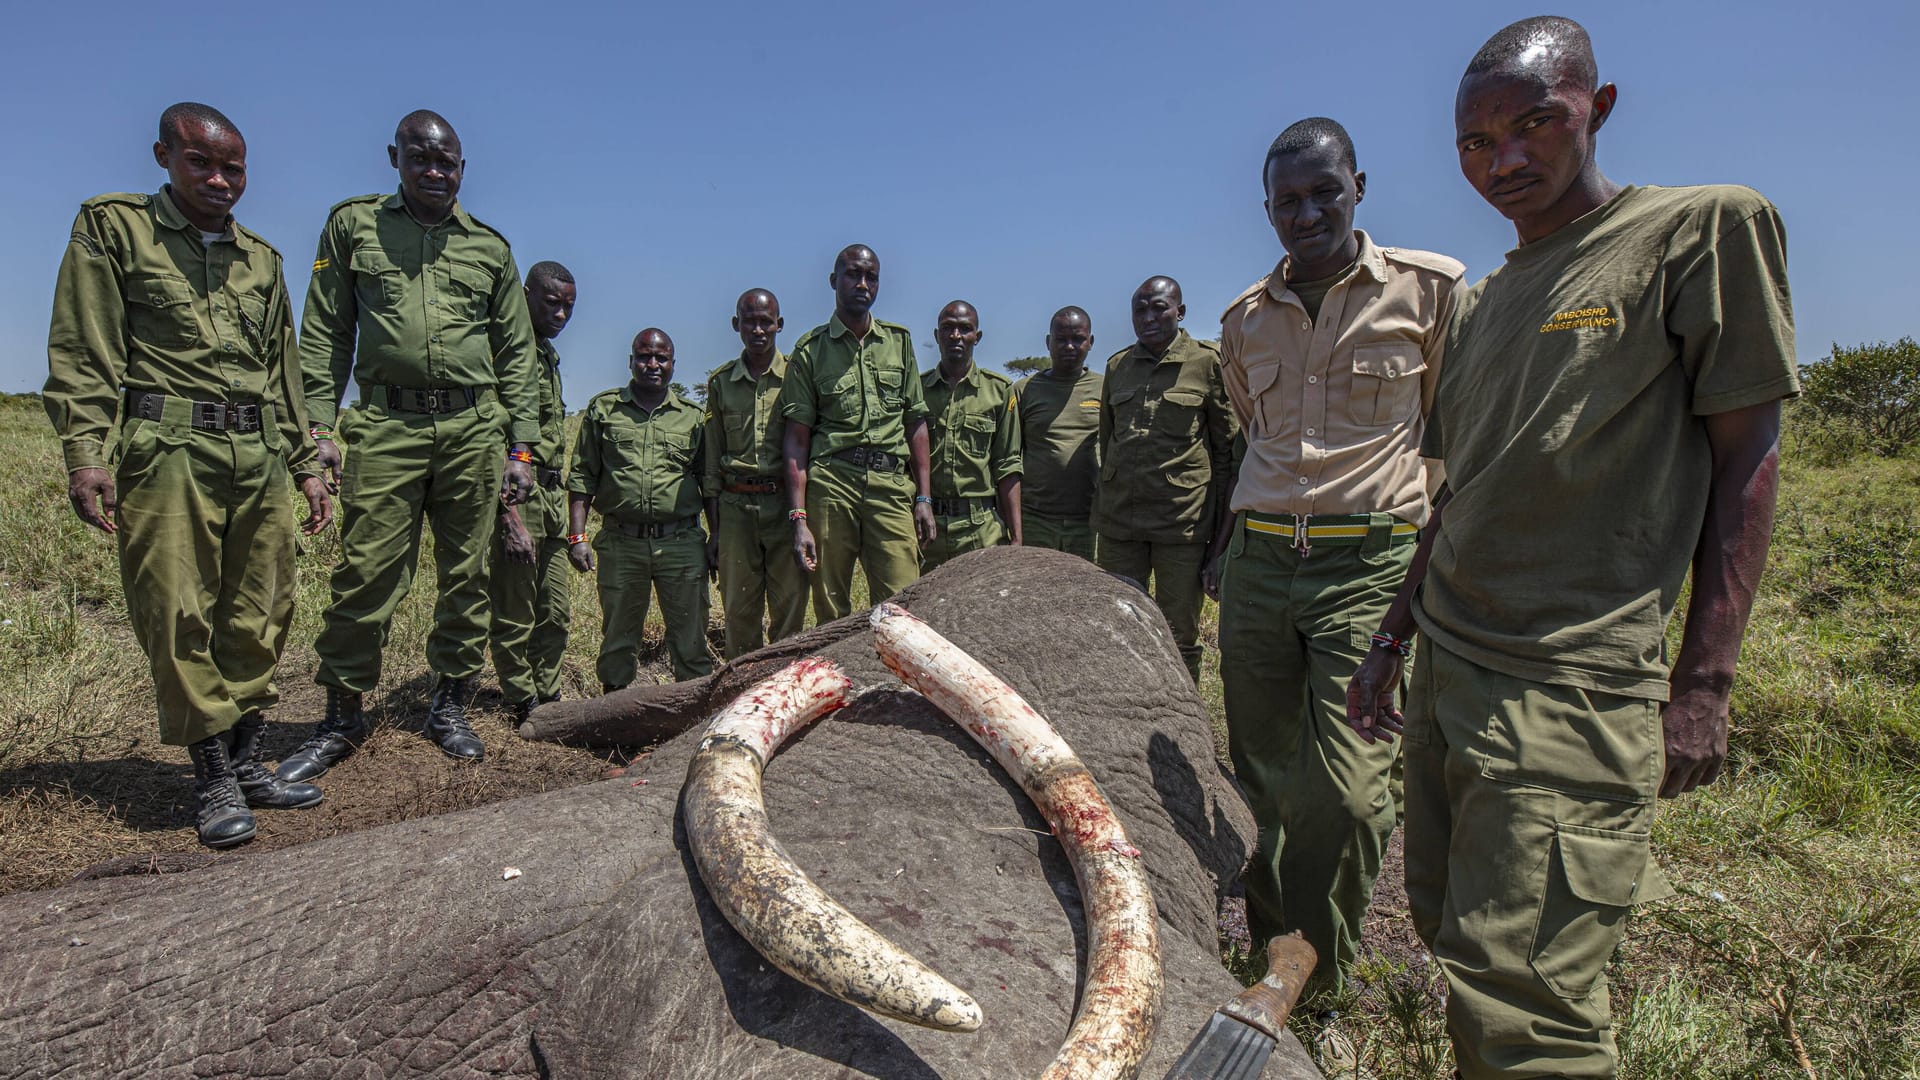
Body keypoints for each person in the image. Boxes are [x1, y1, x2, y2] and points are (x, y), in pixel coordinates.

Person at [1346, 17, 1797, 1077]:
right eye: (1475, 142)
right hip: (1453, 664)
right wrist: (1391, 636)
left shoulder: (1701, 230)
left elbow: (1750, 460)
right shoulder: (1487, 298)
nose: (1503, 159)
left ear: (1598, 107)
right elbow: (1462, 491)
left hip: (1569, 682)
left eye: (1533, 123)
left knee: (1533, 1008)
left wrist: (1706, 683)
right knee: (1459, 937)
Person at [1207, 117, 1466, 986]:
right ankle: (1271, 947)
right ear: (1267, 210)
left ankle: (1315, 971)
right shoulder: (1242, 320)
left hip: (1368, 566)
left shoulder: (1433, 293)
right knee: (1266, 774)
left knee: (1353, 792)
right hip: (1260, 563)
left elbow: (1451, 443)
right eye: (1288, 201)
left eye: (1325, 192)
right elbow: (1256, 433)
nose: (1307, 213)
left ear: (1360, 186)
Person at [44, 102, 332, 847]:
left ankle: (247, 760)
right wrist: (86, 453)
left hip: (258, 451)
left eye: (232, 167)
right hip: (167, 447)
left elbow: (285, 373)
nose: (219, 179)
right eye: (201, 162)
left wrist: (305, 466)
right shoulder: (115, 229)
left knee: (262, 611)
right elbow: (85, 347)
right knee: (176, 611)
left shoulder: (262, 259)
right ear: (163, 156)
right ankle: (210, 776)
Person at [278, 110, 541, 781]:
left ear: (462, 168)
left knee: (467, 576)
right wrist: (318, 427)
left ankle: (447, 705)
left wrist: (523, 448)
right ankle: (341, 716)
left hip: (472, 430)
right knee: (365, 573)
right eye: (420, 159)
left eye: (446, 162)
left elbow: (518, 354)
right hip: (386, 426)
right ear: (394, 157)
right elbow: (327, 332)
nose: (433, 172)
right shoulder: (353, 227)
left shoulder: (489, 248)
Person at [779, 245, 936, 620]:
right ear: (834, 281)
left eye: (871, 276)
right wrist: (799, 517)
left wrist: (924, 499)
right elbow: (796, 440)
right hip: (834, 485)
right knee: (832, 607)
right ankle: (839, 678)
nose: (862, 283)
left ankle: (897, 681)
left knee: (904, 604)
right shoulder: (810, 350)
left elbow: (915, 423)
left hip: (890, 486)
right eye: (853, 274)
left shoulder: (899, 343)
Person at [1092, 277, 1237, 682]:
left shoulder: (1208, 363)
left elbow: (1227, 455)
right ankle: (1124, 708)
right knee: (1117, 626)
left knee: (1178, 635)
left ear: (1181, 311)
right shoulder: (1117, 366)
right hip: (1121, 526)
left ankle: (1181, 718)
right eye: (1140, 310)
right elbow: (1109, 442)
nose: (1149, 318)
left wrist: (1220, 542)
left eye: (1159, 308)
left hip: (1182, 526)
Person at [569, 329, 716, 688]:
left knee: (690, 640)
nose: (652, 365)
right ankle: (612, 721)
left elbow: (709, 483)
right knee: (618, 640)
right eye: (644, 357)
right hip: (622, 542)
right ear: (631, 362)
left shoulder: (693, 418)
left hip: (681, 542)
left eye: (661, 358)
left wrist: (717, 538)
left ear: (673, 365)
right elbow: (582, 476)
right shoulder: (604, 410)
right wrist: (577, 536)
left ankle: (691, 720)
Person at [488, 261, 577, 722]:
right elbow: (494, 441)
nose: (561, 314)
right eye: (552, 302)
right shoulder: (506, 349)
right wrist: (509, 517)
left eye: (569, 306)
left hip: (552, 499)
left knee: (556, 611)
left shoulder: (546, 354)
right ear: (525, 295)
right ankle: (521, 700)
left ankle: (549, 696)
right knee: (515, 608)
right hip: (518, 497)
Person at [703, 289, 808, 657]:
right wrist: (715, 531)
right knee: (739, 613)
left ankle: (784, 694)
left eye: (766, 321)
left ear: (779, 324)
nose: (758, 329)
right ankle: (741, 699)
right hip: (736, 510)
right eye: (750, 321)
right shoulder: (720, 384)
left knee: (790, 611)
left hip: (784, 506)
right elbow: (712, 462)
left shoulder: (798, 376)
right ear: (736, 325)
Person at [918, 300, 1022, 571]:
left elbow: (1008, 465)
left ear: (977, 336)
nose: (956, 336)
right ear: (936, 335)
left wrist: (1017, 538)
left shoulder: (999, 391)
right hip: (927, 526)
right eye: (948, 328)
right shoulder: (917, 390)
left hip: (980, 529)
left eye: (965, 329)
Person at [1013, 307, 1103, 560]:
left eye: (1078, 339)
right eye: (1061, 339)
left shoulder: (1106, 387)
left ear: (1090, 342)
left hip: (1088, 522)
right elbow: (1009, 456)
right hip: (1036, 520)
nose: (1069, 346)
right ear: (1048, 342)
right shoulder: (1024, 390)